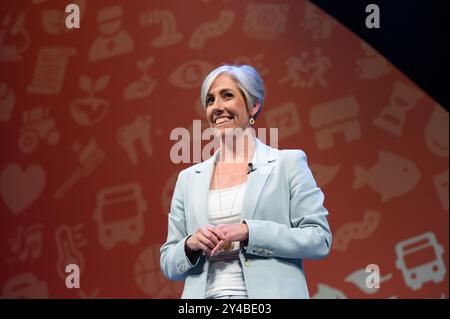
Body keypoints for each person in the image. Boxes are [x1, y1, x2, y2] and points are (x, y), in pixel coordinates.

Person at [160, 64, 332, 299]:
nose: (217, 107)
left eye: (227, 96)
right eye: (210, 100)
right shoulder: (188, 179)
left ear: (254, 105)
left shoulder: (287, 163)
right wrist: (190, 244)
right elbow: (169, 262)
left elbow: (319, 239)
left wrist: (249, 232)